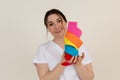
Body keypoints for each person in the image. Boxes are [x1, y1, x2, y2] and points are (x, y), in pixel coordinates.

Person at [33, 9, 94, 80]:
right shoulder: (43, 49)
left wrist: (78, 65)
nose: (57, 27)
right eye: (51, 24)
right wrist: (63, 63)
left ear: (65, 22)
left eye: (59, 21)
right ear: (48, 29)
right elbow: (44, 79)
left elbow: (89, 78)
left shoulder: (78, 45)